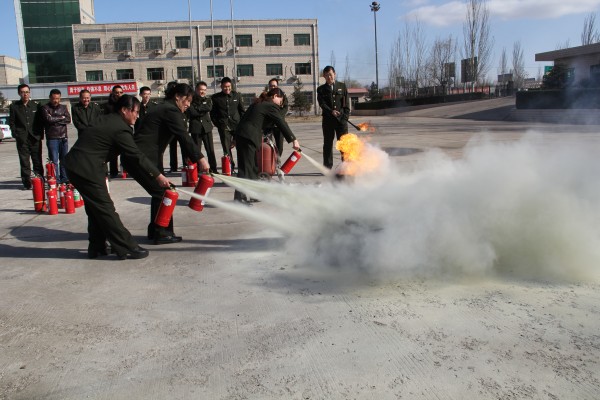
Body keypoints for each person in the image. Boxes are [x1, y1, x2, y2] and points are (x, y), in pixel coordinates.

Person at [64, 95, 172, 260]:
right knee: (106, 209)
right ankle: (126, 246)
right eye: (135, 112)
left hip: (78, 166)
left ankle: (97, 246)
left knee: (95, 209)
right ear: (124, 110)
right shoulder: (120, 128)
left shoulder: (108, 119)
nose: (137, 116)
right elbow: (136, 155)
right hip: (86, 169)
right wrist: (158, 175)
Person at [122, 83, 209, 245]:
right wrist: (201, 158)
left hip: (148, 157)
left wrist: (191, 157)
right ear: (177, 96)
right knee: (162, 193)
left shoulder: (162, 108)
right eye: (187, 100)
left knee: (160, 192)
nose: (188, 105)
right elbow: (183, 136)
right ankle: (161, 233)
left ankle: (155, 230)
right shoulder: (170, 110)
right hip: (142, 158)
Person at [232, 88, 300, 205]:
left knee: (253, 167)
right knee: (246, 168)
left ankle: (253, 194)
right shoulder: (270, 105)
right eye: (280, 101)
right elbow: (281, 122)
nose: (280, 104)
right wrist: (293, 139)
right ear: (275, 96)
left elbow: (245, 119)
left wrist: (235, 138)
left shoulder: (259, 103)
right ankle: (239, 198)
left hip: (244, 136)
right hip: (248, 138)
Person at [9, 84, 44, 189]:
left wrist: (40, 134)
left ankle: (39, 181)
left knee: (37, 160)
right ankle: (27, 183)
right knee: (24, 162)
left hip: (34, 137)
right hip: (22, 138)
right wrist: (16, 134)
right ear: (19, 93)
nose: (25, 94)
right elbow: (12, 122)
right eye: (23, 92)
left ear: (29, 92)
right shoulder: (14, 106)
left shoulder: (36, 105)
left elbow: (40, 121)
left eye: (27, 92)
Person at [316, 65, 349, 169]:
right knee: (328, 144)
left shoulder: (342, 86)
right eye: (326, 75)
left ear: (334, 74)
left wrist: (345, 117)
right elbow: (322, 104)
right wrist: (331, 112)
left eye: (330, 74)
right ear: (324, 76)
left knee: (344, 144)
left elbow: (346, 104)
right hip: (328, 121)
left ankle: (345, 166)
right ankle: (327, 166)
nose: (329, 77)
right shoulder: (321, 89)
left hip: (341, 121)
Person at [210, 77, 245, 172]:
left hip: (237, 126)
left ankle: (242, 168)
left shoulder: (237, 95)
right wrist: (218, 124)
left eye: (229, 86)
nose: (227, 88)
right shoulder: (215, 98)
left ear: (231, 86)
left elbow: (242, 111)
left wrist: (242, 124)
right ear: (221, 86)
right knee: (226, 149)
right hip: (224, 127)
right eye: (225, 87)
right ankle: (230, 167)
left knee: (240, 147)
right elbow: (213, 114)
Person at [41, 89, 71, 184]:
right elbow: (48, 119)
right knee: (54, 160)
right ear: (50, 98)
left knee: (64, 159)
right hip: (52, 138)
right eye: (54, 98)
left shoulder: (63, 107)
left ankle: (64, 178)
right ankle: (56, 180)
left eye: (58, 98)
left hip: (63, 137)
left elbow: (68, 119)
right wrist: (61, 118)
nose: (56, 101)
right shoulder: (45, 108)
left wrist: (54, 119)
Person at [187, 81, 217, 173]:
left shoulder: (208, 100)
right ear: (196, 90)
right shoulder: (191, 100)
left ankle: (213, 168)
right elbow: (192, 112)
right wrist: (201, 110)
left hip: (207, 127)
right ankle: (197, 170)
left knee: (210, 150)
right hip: (196, 128)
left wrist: (198, 108)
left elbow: (209, 108)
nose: (202, 92)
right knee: (197, 150)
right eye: (201, 90)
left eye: (204, 90)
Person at [103, 85, 124, 178]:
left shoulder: (125, 104)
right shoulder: (108, 106)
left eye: (120, 92)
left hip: (123, 130)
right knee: (113, 153)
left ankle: (124, 171)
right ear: (113, 93)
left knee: (125, 152)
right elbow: (106, 119)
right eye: (117, 92)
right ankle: (113, 172)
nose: (119, 94)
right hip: (112, 131)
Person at [266, 78, 289, 157]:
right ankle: (269, 161)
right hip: (268, 125)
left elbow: (285, 108)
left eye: (274, 86)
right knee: (268, 145)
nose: (272, 87)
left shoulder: (282, 95)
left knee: (280, 147)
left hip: (279, 124)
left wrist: (277, 117)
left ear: (277, 86)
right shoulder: (265, 96)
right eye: (271, 86)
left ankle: (277, 160)